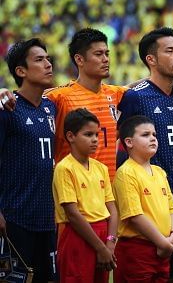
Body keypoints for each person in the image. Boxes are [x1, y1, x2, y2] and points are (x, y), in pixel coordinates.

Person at [117, 27, 173, 280]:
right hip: (146, 205)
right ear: (151, 59)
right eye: (169, 51)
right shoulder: (135, 98)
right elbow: (120, 144)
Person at [0, 39, 57, 281]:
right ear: (21, 71)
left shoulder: (52, 106)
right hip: (15, 218)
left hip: (49, 219)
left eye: (48, 58)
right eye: (39, 59)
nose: (48, 64)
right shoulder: (7, 108)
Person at [45, 28, 128, 179]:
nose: (106, 59)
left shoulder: (115, 94)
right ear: (79, 59)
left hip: (107, 196)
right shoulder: (59, 97)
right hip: (75, 195)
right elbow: (24, 99)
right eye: (98, 54)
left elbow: (139, 88)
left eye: (107, 53)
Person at [52, 108, 118, 282]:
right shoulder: (64, 168)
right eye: (88, 134)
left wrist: (110, 243)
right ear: (71, 136)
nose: (95, 139)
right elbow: (73, 215)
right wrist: (101, 248)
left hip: (103, 235)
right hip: (77, 235)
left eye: (96, 134)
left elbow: (112, 208)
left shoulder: (101, 168)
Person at [112, 115, 173, 282]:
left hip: (164, 247)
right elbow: (134, 216)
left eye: (154, 135)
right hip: (137, 249)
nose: (153, 139)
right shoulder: (126, 173)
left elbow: (172, 209)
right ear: (128, 142)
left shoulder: (159, 172)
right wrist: (162, 243)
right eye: (145, 135)